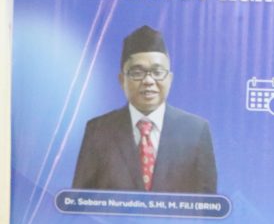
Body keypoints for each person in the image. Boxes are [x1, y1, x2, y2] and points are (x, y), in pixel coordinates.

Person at [72, 25, 218, 193]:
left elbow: (208, 202)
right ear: (122, 80)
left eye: (157, 72)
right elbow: (80, 198)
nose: (148, 81)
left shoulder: (195, 130)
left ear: (170, 79)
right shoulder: (98, 131)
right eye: (137, 72)